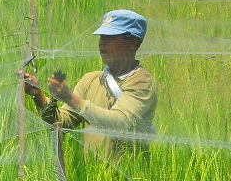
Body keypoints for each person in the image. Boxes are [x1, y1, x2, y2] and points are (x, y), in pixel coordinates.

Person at [18, 9, 158, 157]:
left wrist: (70, 98)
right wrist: (38, 95)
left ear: (132, 43)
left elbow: (119, 122)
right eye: (101, 37)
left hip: (127, 176)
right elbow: (62, 124)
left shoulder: (142, 82)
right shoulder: (90, 80)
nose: (102, 43)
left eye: (110, 38)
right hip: (90, 177)